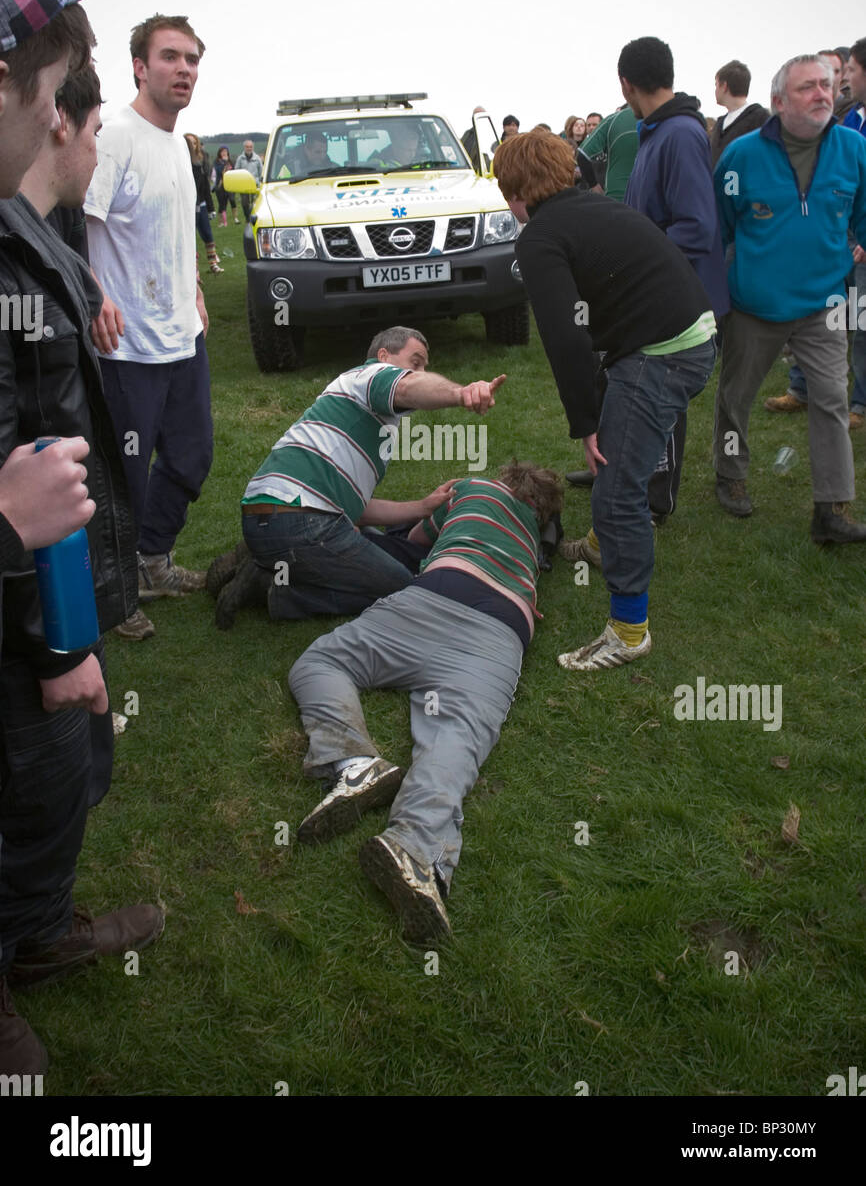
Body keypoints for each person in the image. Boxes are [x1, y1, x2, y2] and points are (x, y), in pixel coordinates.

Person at [0, 0, 163, 1078]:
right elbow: (28, 456)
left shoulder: (19, 223)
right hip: (26, 606)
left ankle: (39, 930)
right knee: (39, 773)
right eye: (57, 89)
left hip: (48, 585)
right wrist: (57, 639)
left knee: (67, 776)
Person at [287, 460, 562, 944]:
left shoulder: (474, 489)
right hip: (504, 626)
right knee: (458, 736)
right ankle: (414, 848)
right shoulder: (533, 544)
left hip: (436, 593)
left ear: (506, 479)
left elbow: (414, 541)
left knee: (322, 662)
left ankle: (353, 762)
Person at [493, 129, 716, 670]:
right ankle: (598, 545)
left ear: (514, 190)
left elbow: (568, 337)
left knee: (617, 492)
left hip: (662, 353)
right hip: (687, 335)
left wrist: (585, 423)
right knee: (620, 462)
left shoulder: (540, 237)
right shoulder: (593, 207)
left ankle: (629, 630)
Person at [212, 326, 507, 627]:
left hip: (273, 514)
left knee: (378, 553)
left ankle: (266, 558)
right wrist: (461, 393)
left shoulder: (358, 410)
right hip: (300, 522)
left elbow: (355, 508)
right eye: (415, 363)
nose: (420, 372)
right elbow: (408, 388)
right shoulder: (371, 376)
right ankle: (272, 589)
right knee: (402, 589)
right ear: (383, 357)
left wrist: (422, 507)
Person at [85, 13, 213, 641]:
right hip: (127, 346)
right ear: (139, 66)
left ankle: (152, 560)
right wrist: (94, 294)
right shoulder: (115, 137)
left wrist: (191, 285)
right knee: (124, 476)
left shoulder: (176, 145)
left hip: (182, 337)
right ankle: (114, 593)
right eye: (170, 57)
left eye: (191, 59)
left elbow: (171, 226)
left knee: (192, 455)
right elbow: (74, 222)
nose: (183, 69)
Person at [712, 54, 866, 541]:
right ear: (779, 102)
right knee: (736, 399)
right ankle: (731, 475)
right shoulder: (741, 156)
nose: (822, 93)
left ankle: (832, 509)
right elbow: (721, 227)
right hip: (755, 307)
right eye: (807, 88)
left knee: (831, 400)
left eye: (827, 83)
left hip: (824, 304)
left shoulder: (854, 149)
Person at [620, 36, 728, 524]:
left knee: (662, 395)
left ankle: (657, 496)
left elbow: (697, 226)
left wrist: (643, 264)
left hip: (679, 301)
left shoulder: (680, 133)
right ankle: (627, 470)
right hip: (659, 294)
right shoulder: (657, 130)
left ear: (626, 84)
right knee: (637, 386)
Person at [765, 40, 866, 429]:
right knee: (818, 308)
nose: (836, 83)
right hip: (833, 234)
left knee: (851, 318)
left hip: (855, 234)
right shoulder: (848, 116)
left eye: (843, 72)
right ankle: (802, 386)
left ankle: (855, 402)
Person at [709, 59, 770, 167]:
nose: (715, 90)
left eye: (716, 84)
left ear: (724, 86)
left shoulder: (760, 119)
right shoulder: (719, 124)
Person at [185, 133, 223, 273]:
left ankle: (213, 264)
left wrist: (211, 208)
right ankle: (194, 270)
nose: (193, 146)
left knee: (208, 234)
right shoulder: (181, 162)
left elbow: (205, 187)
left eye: (195, 143)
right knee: (190, 238)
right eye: (190, 143)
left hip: (200, 204)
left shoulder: (200, 163)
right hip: (187, 207)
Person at [234, 139, 263, 221]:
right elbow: (236, 171)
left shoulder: (257, 158)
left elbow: (261, 171)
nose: (249, 148)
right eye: (247, 147)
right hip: (244, 185)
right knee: (244, 203)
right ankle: (247, 218)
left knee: (255, 203)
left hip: (255, 184)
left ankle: (254, 217)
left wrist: (261, 182)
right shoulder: (240, 159)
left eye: (250, 147)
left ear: (252, 147)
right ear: (244, 147)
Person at [212, 144, 238, 226]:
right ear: (219, 153)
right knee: (222, 203)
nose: (224, 153)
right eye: (222, 151)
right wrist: (224, 163)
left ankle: (235, 218)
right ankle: (221, 222)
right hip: (220, 185)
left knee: (232, 200)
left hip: (230, 184)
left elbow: (233, 171)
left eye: (225, 151)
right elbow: (220, 171)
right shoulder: (217, 162)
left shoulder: (231, 161)